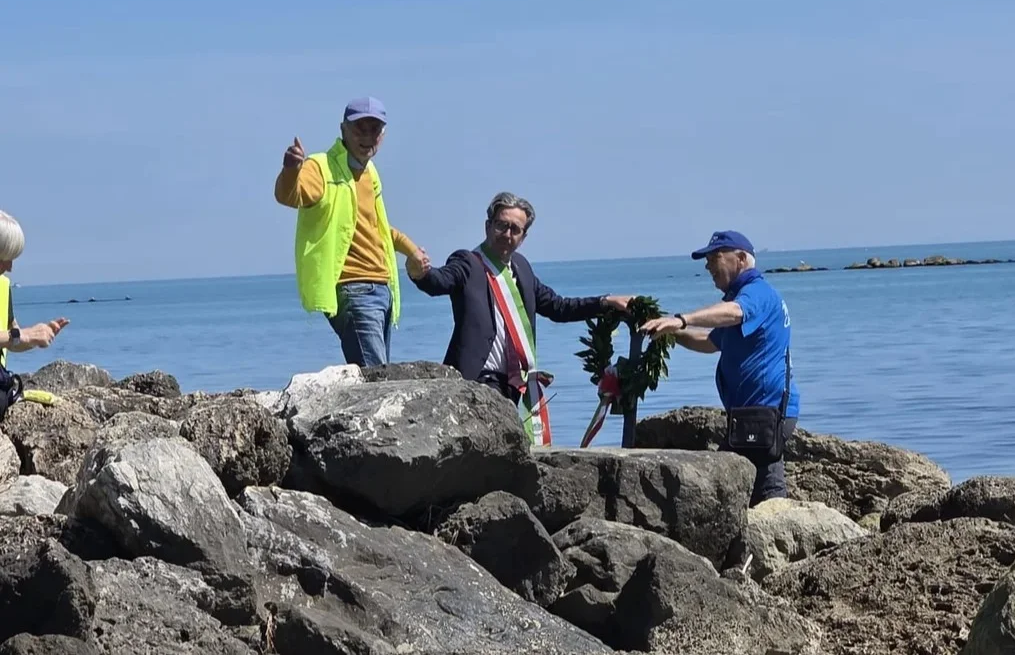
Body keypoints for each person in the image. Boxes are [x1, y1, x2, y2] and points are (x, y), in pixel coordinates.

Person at [408, 191, 632, 446]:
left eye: (515, 229)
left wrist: (605, 302)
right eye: (502, 225)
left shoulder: (522, 269)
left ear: (523, 237)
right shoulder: (467, 262)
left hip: (517, 384)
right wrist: (420, 273)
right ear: (488, 226)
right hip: (478, 378)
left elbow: (558, 307)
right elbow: (440, 281)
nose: (507, 234)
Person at [641, 230, 799, 505]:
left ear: (740, 259)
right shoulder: (741, 299)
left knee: (752, 489)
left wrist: (681, 319)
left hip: (767, 413)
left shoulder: (757, 292)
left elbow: (736, 312)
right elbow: (710, 341)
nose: (708, 266)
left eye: (714, 257)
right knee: (747, 485)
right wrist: (669, 331)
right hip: (750, 413)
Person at [274, 97, 431, 368]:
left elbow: (377, 227)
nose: (368, 137)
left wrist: (412, 250)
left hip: (382, 288)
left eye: (375, 130)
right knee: (376, 378)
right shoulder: (320, 166)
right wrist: (291, 169)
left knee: (377, 374)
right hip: (353, 288)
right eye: (360, 128)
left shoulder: (369, 172)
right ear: (343, 129)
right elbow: (290, 195)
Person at [0, 210, 69, 411]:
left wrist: (38, 338)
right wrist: (25, 335)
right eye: (4, 257)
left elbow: (13, 342)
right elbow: (16, 336)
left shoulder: (3, 287)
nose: (10, 267)